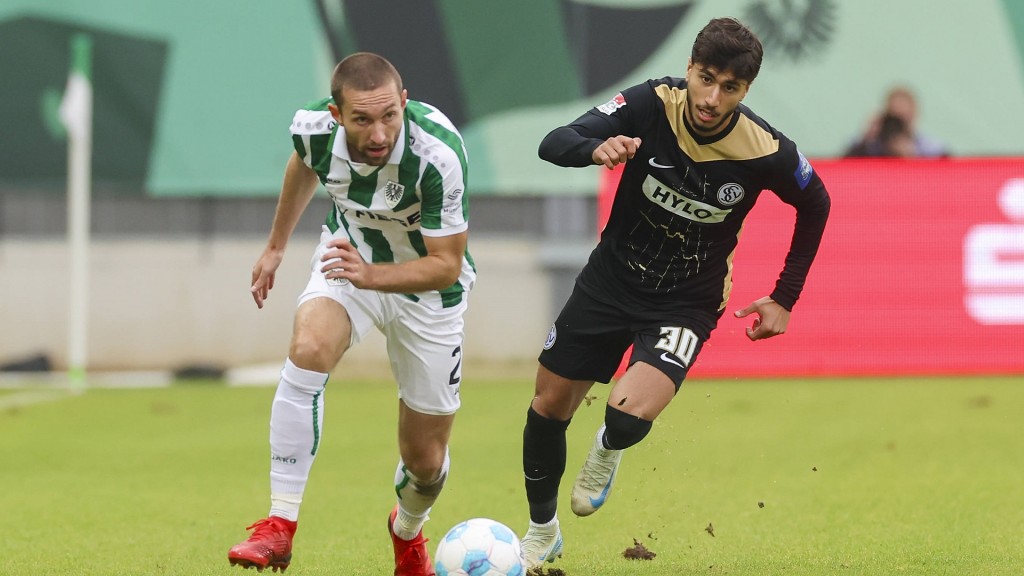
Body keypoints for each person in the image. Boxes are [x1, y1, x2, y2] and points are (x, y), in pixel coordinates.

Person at [517, 17, 831, 569]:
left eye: (729, 87)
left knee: (625, 417)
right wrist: (596, 149)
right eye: (705, 78)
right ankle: (542, 532)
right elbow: (553, 142)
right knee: (547, 408)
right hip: (608, 283)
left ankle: (609, 449)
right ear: (689, 68)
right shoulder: (647, 104)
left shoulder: (764, 150)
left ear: (745, 91)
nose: (710, 98)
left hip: (685, 303)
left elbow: (817, 203)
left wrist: (785, 296)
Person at [227, 52, 474, 576]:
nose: (380, 131)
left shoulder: (438, 154)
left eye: (390, 115)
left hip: (427, 291)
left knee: (425, 462)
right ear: (338, 116)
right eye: (362, 119)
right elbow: (304, 163)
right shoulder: (314, 129)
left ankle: (407, 532)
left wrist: (373, 275)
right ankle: (279, 525)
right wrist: (275, 247)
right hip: (349, 259)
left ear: (404, 102)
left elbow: (446, 266)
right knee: (308, 347)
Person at [844, 85, 949, 157]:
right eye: (895, 119)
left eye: (904, 118)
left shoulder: (930, 150)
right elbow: (842, 170)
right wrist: (866, 140)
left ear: (914, 115)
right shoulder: (871, 147)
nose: (898, 126)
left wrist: (912, 157)